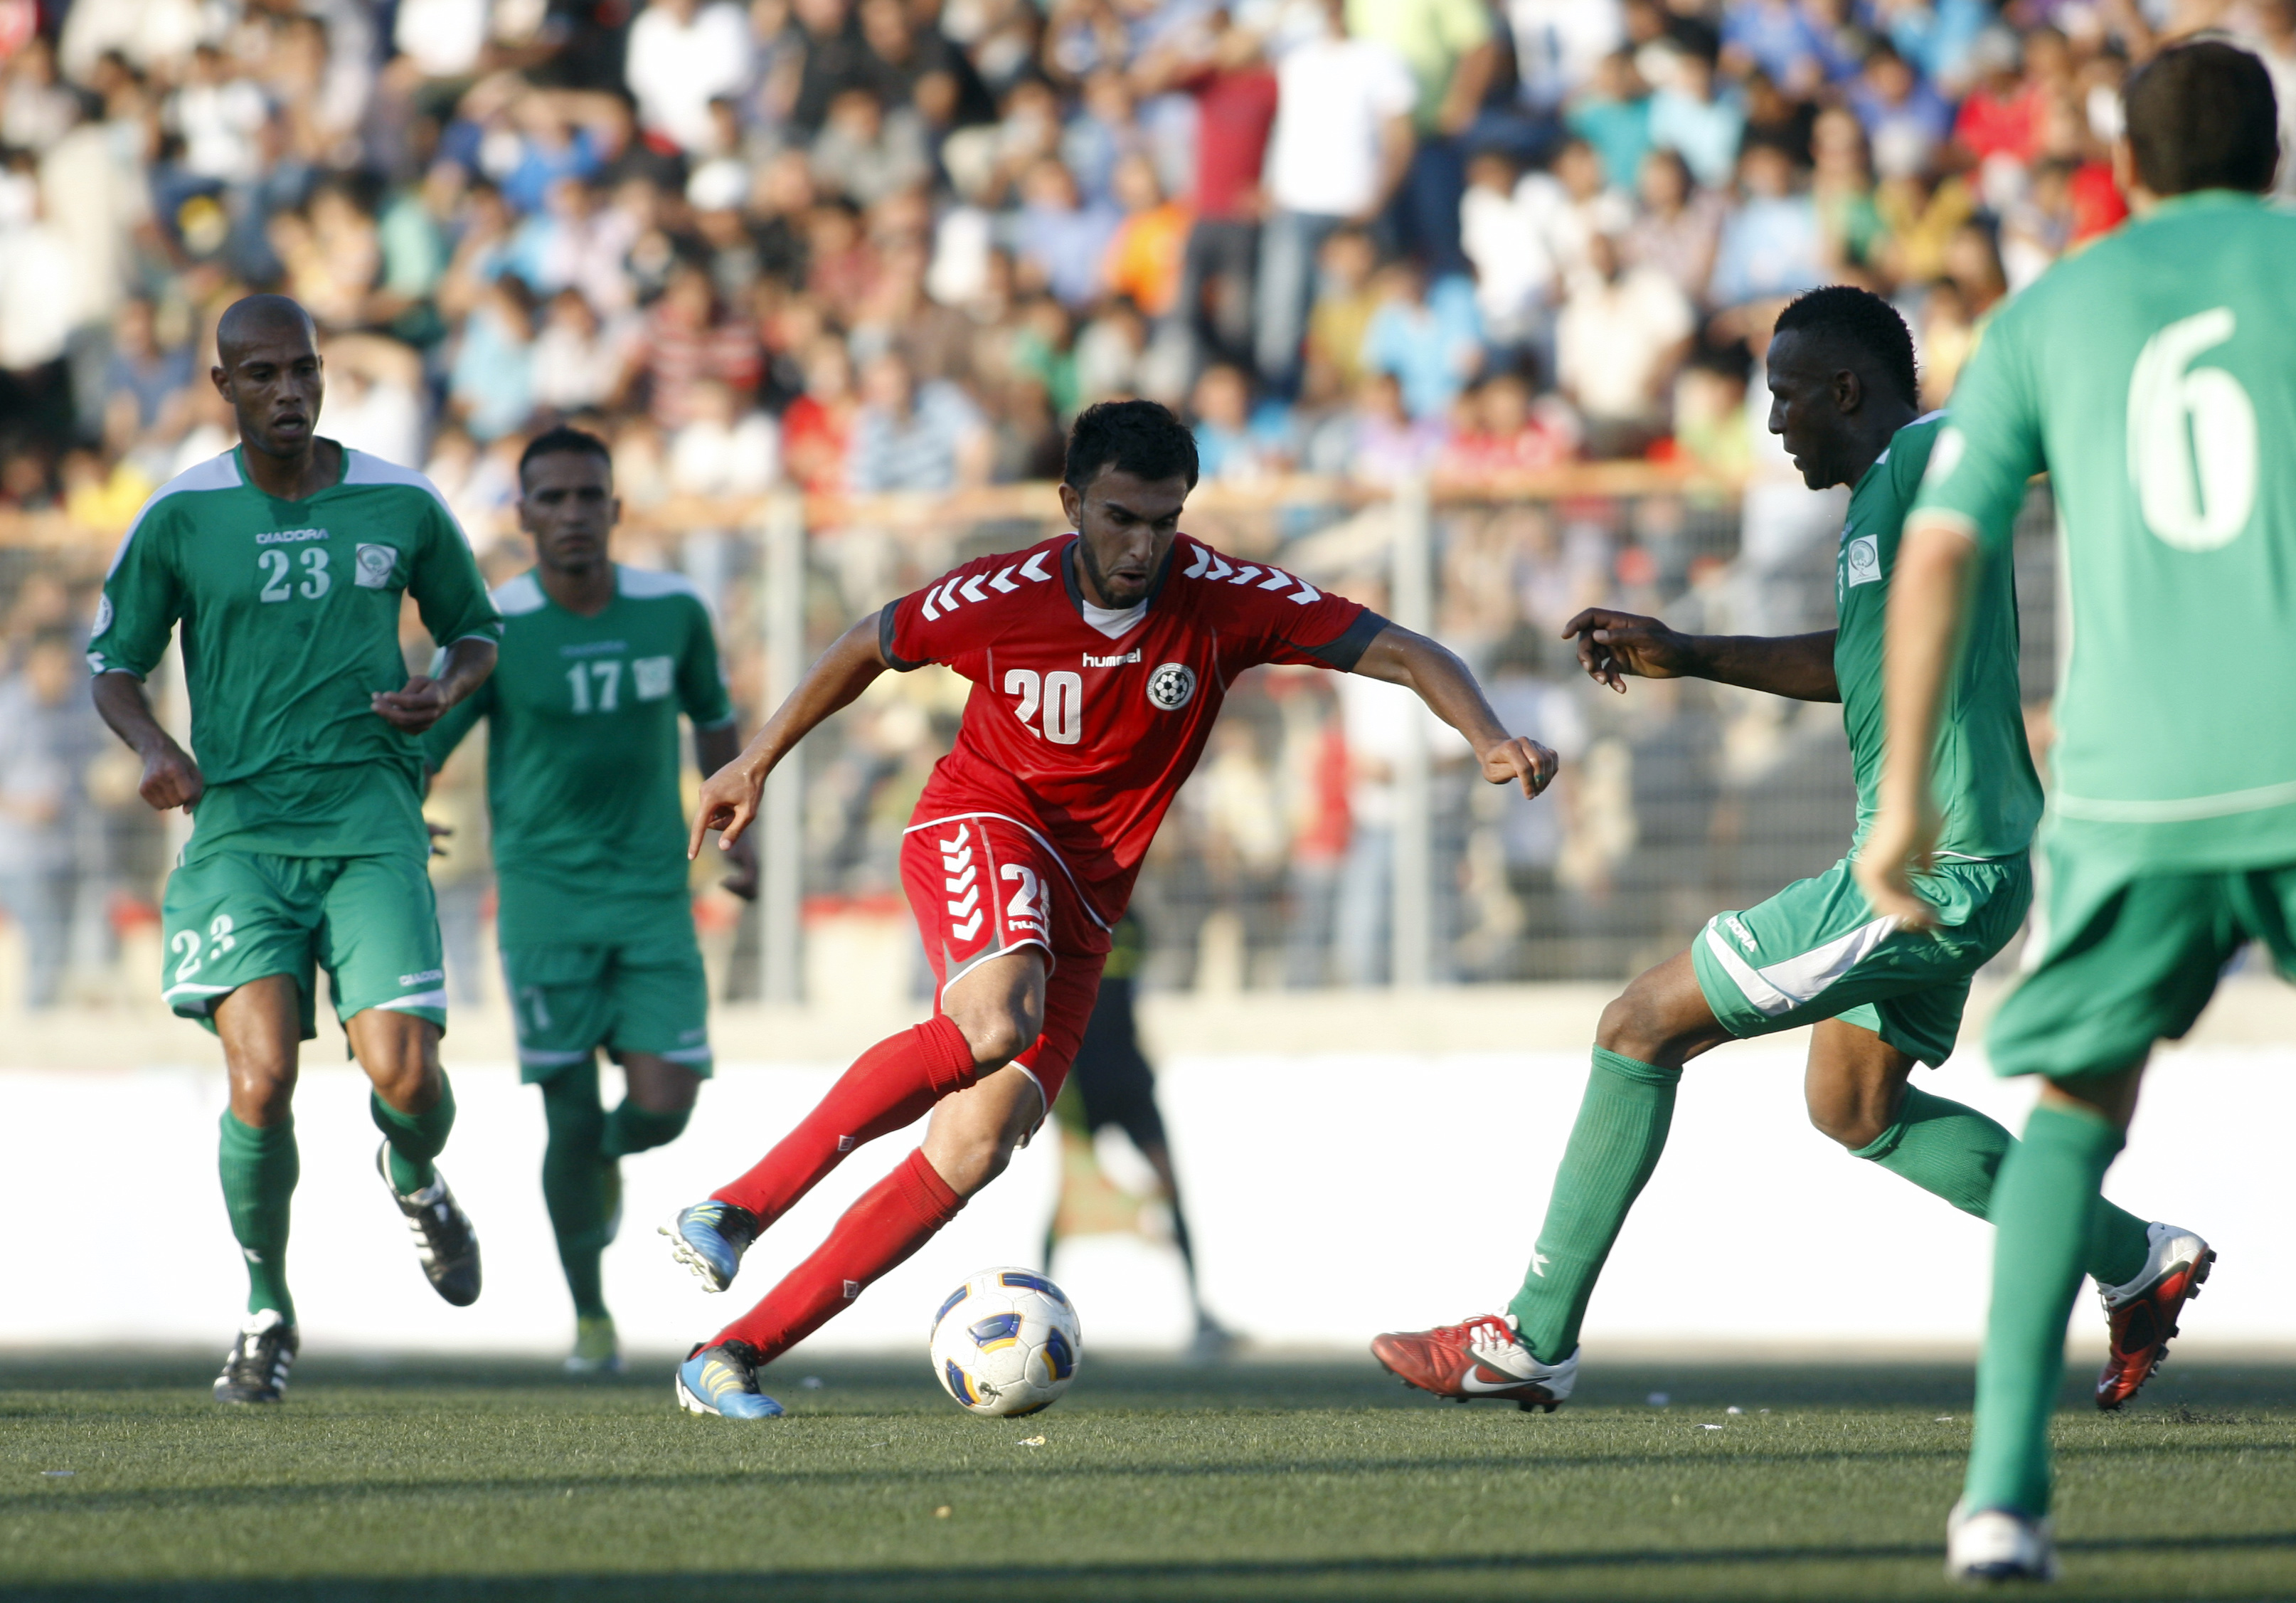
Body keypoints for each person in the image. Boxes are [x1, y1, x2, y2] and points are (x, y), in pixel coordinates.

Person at [1370, 286, 2209, 1435]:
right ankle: (2132, 1258)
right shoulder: (1881, 508)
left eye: (1784, 395)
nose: (1772, 424)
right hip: (1961, 861)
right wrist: (1691, 649)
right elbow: (1850, 661)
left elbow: (2035, 431)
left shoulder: (1919, 455)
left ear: (1845, 390)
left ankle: (1529, 1336)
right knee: (1854, 1104)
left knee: (1636, 1022)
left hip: (1928, 869)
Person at [660, 398, 1557, 1417]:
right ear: (1072, 503)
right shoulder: (997, 594)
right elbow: (871, 643)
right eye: (1122, 519)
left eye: (1166, 521)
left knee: (974, 1146)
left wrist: (1485, 734)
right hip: (983, 821)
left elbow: (1402, 648)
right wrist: (758, 758)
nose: (1144, 547)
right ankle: (737, 1204)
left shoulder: (1224, 596)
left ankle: (726, 1355)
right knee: (996, 1018)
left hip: (1090, 901)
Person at [1856, 43, 2286, 1582]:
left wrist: (1900, 793)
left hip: (2133, 781)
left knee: (2073, 1116)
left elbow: (1939, 550)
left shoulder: (2052, 311)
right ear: (2274, 149)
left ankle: (1999, 1496)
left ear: (2129, 158)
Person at [87, 295, 501, 1404]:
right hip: (238, 834)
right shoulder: (179, 516)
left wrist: (444, 686)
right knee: (261, 1080)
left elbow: (478, 628)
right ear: (223, 389)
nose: (289, 392)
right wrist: (155, 747)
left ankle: (414, 1176)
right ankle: (266, 1307)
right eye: (262, 374)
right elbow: (113, 664)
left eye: (304, 370)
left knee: (404, 1074)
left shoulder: (401, 499)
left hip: (370, 822)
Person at [420, 426, 755, 1376]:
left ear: (616, 508)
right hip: (543, 908)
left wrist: (741, 832)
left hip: (653, 898)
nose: (572, 514)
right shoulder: (494, 628)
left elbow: (714, 720)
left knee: (666, 1103)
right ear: (523, 515)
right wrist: (408, 808)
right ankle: (591, 1316)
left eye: (587, 496)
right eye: (552, 499)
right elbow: (428, 743)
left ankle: (608, 1160)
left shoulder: (675, 612)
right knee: (566, 1117)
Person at [1039, 913, 1234, 1357]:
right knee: (1069, 1198)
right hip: (1081, 1079)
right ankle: (1044, 1316)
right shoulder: (1060, 915)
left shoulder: (1133, 922)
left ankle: (1200, 1318)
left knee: (1172, 1188)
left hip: (1129, 1076)